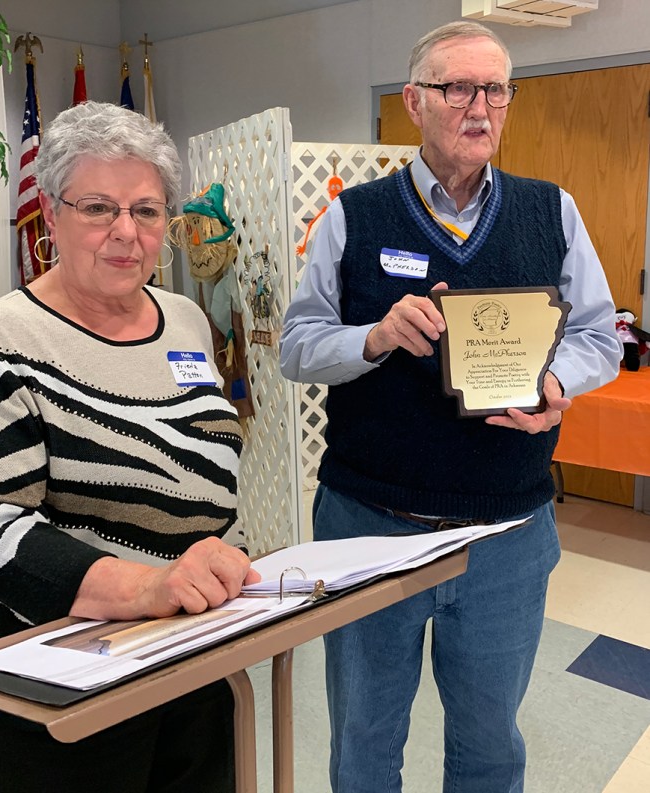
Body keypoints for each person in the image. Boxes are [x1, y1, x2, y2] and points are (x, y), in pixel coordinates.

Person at [279, 21, 621, 793]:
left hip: (506, 531)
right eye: (457, 88)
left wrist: (557, 384)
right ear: (413, 102)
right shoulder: (353, 216)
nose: (480, 107)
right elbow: (297, 347)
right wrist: (371, 337)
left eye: (495, 90)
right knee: (364, 742)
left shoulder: (552, 211)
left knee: (491, 743)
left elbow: (601, 333)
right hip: (369, 527)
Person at [0, 101, 260, 793]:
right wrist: (146, 586)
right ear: (51, 215)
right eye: (98, 208)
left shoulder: (185, 321)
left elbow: (203, 461)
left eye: (146, 211)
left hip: (192, 651)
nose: (126, 233)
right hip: (69, 675)